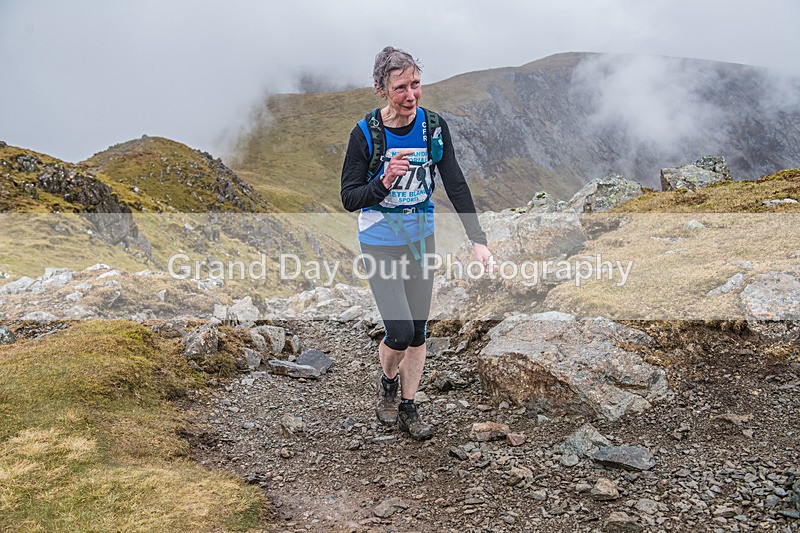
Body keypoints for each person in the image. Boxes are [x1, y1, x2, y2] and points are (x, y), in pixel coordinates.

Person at [341, 46, 491, 440]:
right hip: (379, 241)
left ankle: (408, 403)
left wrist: (478, 240)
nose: (411, 96)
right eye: (400, 88)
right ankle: (387, 379)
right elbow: (349, 198)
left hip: (421, 241)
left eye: (416, 85)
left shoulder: (434, 127)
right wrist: (384, 181)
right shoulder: (365, 134)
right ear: (380, 90)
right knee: (400, 331)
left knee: (420, 331)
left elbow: (455, 183)